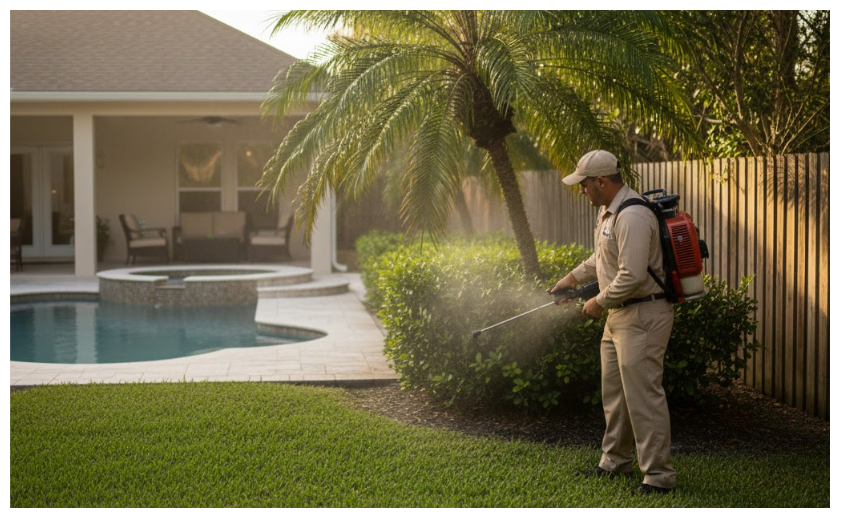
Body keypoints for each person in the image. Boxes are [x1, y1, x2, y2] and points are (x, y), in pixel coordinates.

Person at [548, 149, 676, 495]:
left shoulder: (632, 215)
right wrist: (571, 279)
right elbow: (602, 257)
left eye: (584, 184)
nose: (581, 190)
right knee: (616, 395)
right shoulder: (609, 212)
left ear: (601, 181)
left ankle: (659, 477)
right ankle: (615, 461)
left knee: (644, 396)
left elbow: (632, 275)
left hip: (642, 314)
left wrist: (598, 302)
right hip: (620, 314)